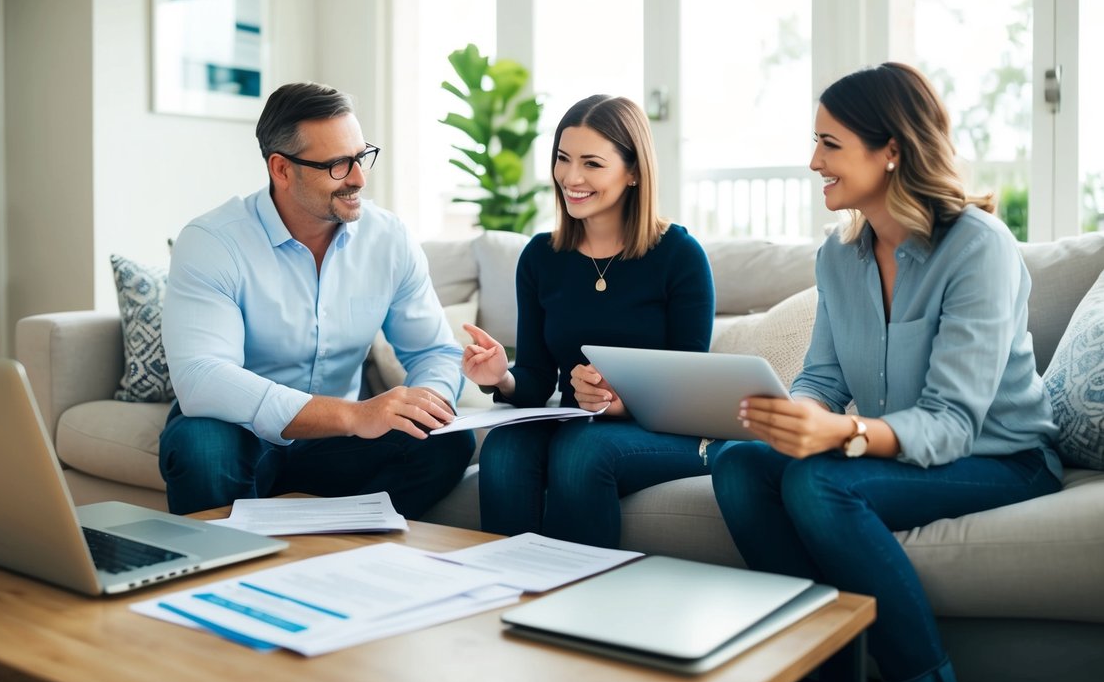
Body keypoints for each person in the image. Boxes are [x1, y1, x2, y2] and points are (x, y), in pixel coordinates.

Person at [711, 63, 1062, 682]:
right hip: (899, 452)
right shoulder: (838, 257)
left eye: (830, 144)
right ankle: (824, 673)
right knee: (739, 462)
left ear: (891, 150)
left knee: (819, 486)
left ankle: (925, 679)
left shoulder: (978, 248)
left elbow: (952, 424)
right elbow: (821, 379)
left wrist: (841, 435)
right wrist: (792, 417)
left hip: (1003, 457)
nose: (814, 162)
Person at [159, 82, 475, 517]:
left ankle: (339, 549)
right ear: (281, 169)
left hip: (338, 448)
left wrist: (421, 404)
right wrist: (352, 415)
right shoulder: (213, 241)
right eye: (338, 165)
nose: (359, 179)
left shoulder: (388, 239)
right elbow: (201, 377)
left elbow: (434, 351)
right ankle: (229, 574)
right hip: (240, 433)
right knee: (204, 446)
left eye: (361, 157)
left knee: (446, 441)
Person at [461, 94, 719, 548]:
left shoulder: (679, 256)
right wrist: (501, 378)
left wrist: (618, 402)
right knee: (504, 448)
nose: (571, 177)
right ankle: (505, 595)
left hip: (665, 431)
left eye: (592, 163)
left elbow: (690, 388)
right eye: (563, 159)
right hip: (579, 419)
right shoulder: (541, 258)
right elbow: (538, 381)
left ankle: (583, 604)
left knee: (581, 451)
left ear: (634, 171)